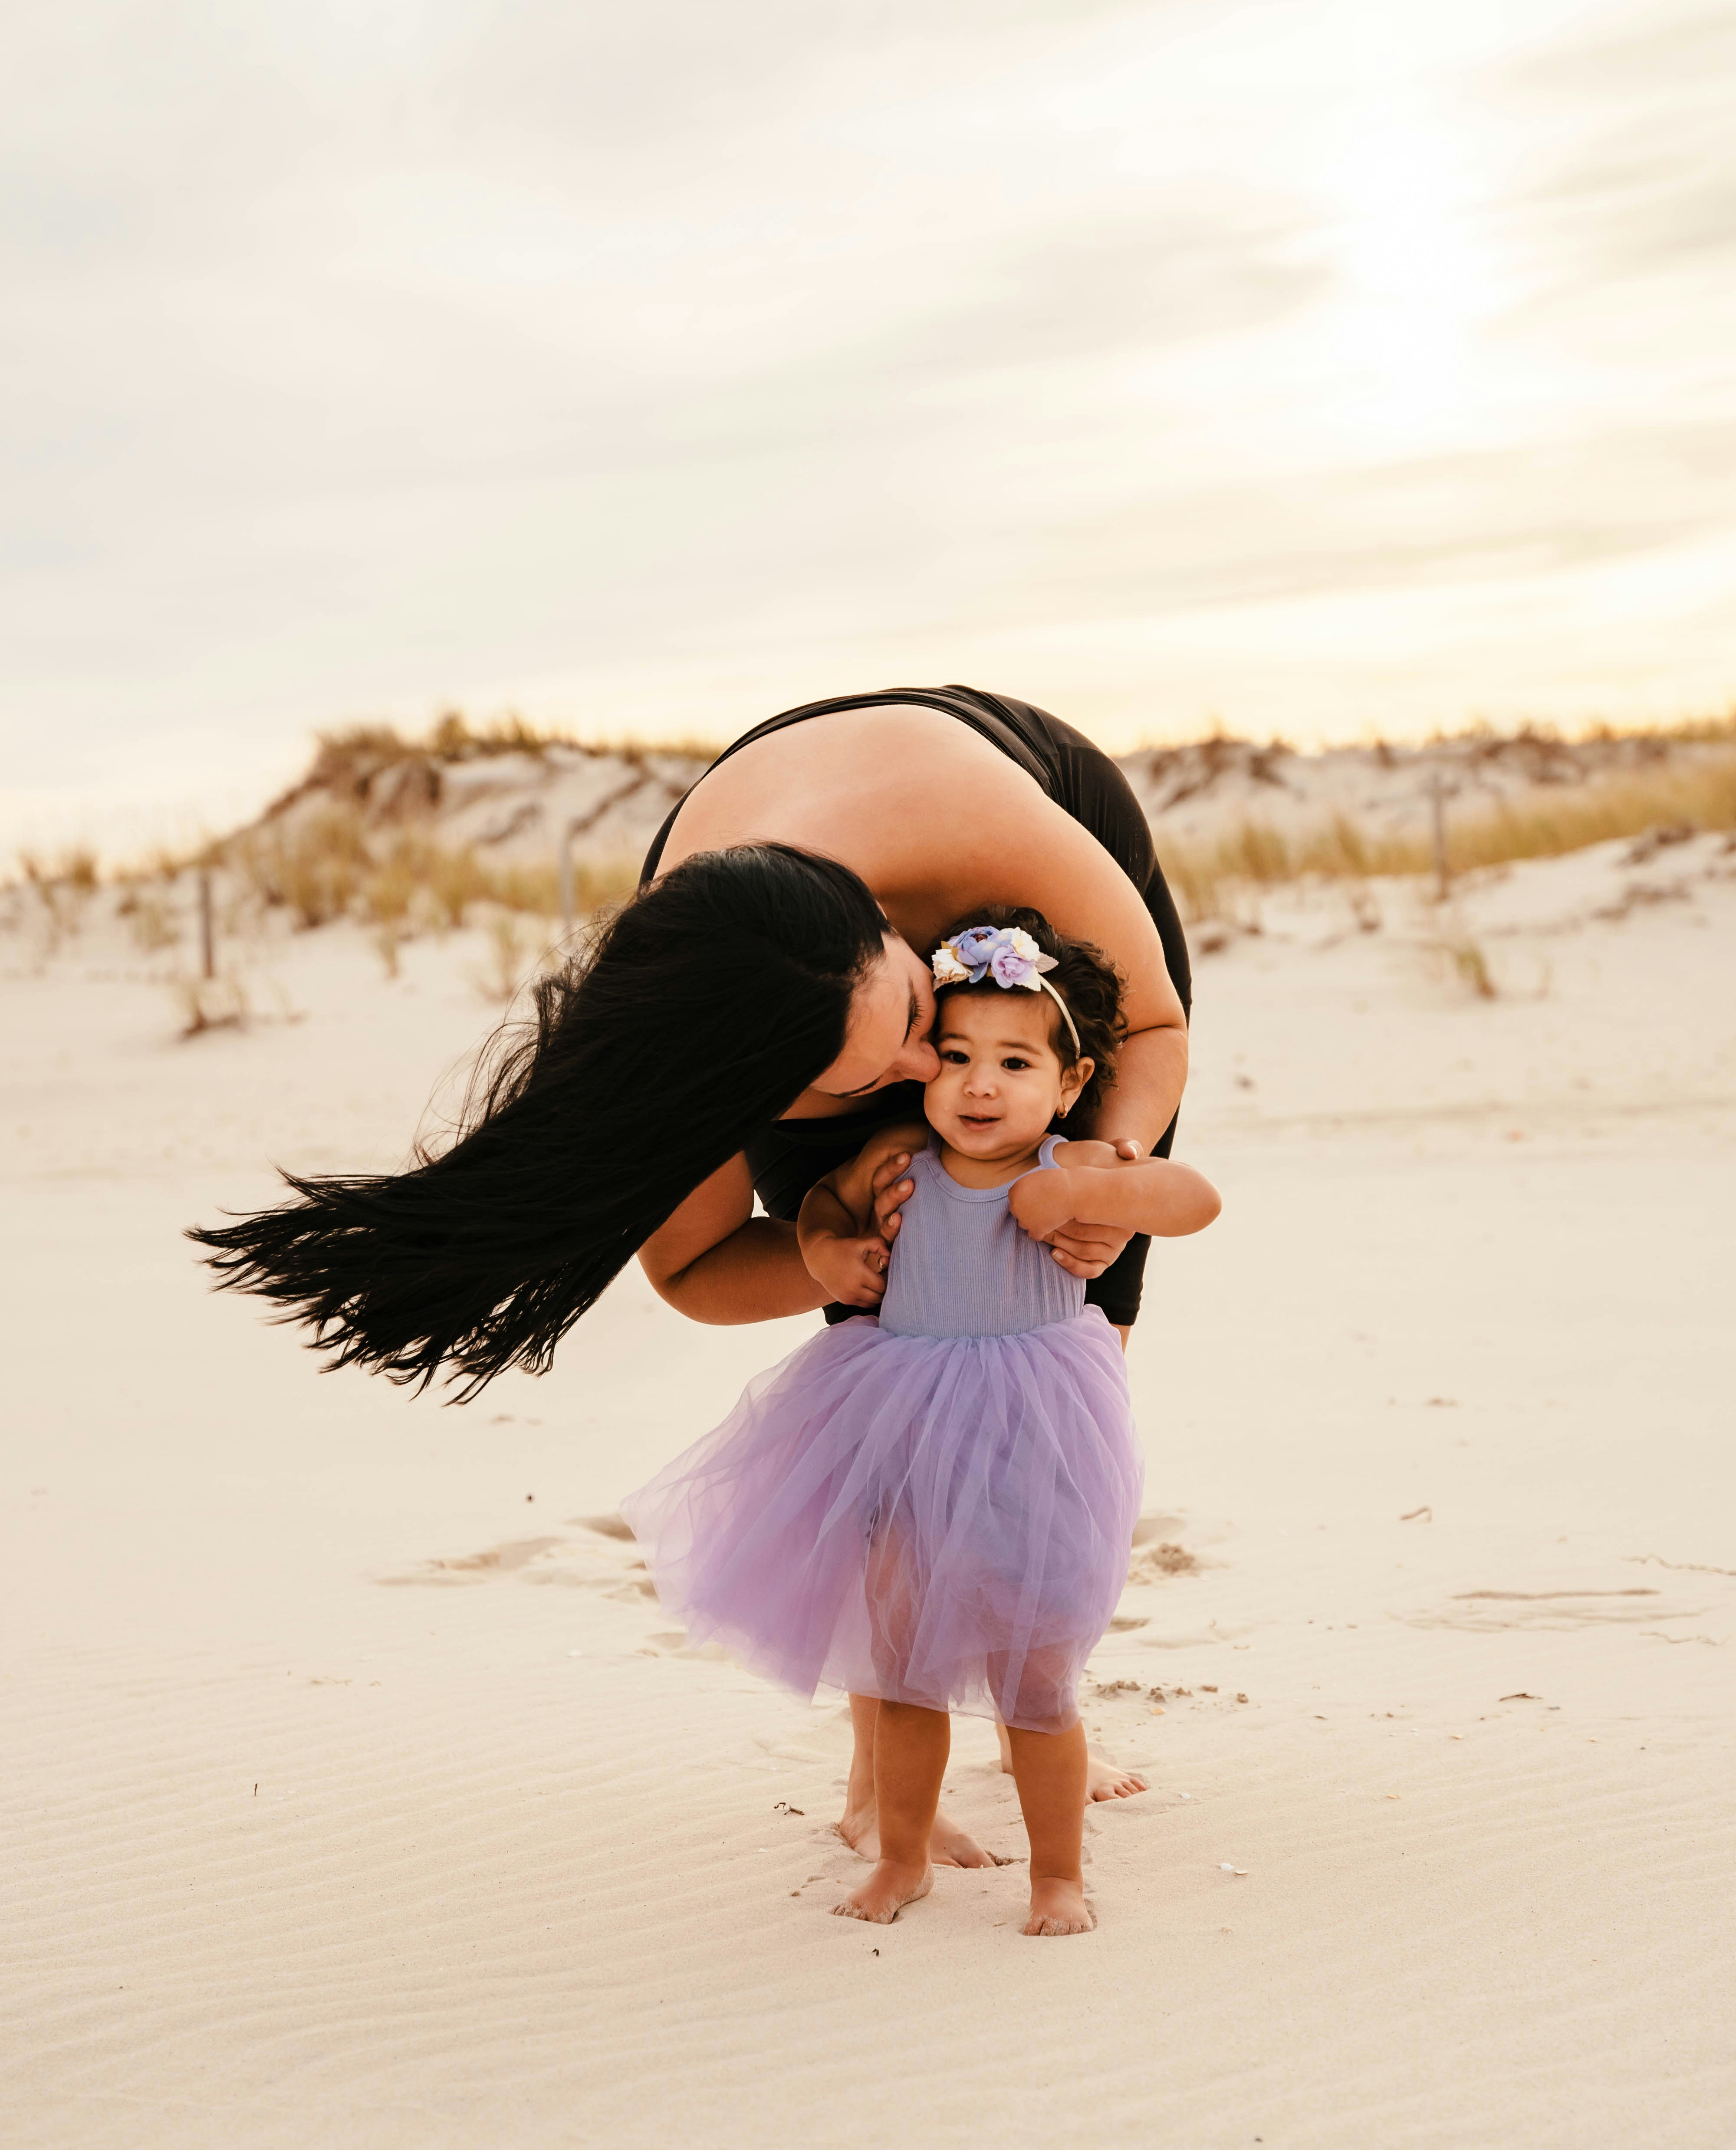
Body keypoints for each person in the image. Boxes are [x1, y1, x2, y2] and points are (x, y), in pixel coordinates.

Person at [190, 684, 1192, 1858]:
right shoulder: (708, 1018)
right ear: (758, 1095)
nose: (931, 1075)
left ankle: (1043, 1692)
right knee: (888, 1343)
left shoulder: (988, 842)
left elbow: (1157, 1029)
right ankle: (883, 1762)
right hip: (803, 975)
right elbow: (699, 1266)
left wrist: (1109, 1178)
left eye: (919, 1012)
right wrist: (823, 1253)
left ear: (890, 937)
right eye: (881, 1074)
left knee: (1059, 1343)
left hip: (1014, 812)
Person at [622, 912, 1220, 1935]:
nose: (978, 1086)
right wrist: (825, 1255)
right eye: (954, 1056)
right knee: (900, 1662)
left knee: (1035, 1676)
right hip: (898, 1423)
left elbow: (1192, 1199)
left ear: (1069, 1082)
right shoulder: (901, 1154)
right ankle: (901, 1855)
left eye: (1013, 1061)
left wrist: (1099, 1181)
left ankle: (1055, 1876)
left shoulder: (1066, 1159)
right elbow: (819, 1203)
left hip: (1033, 1435)